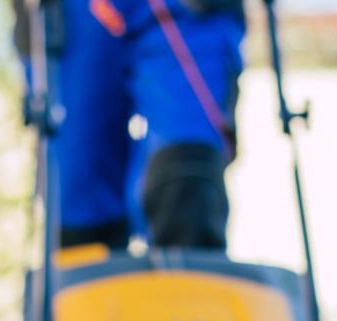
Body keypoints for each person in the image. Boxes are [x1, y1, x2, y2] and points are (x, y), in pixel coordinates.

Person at [17, 0, 246, 252]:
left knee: (185, 181)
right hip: (69, 15)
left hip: (185, 10)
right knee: (77, 200)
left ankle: (194, 282)